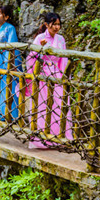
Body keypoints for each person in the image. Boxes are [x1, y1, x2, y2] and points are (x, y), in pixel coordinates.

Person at [25, 12, 73, 149]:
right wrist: (40, 48)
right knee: (43, 105)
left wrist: (64, 76)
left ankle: (59, 137)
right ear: (47, 25)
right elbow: (31, 57)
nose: (57, 27)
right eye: (54, 24)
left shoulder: (61, 39)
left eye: (58, 24)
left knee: (59, 104)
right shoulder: (40, 38)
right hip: (43, 75)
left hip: (57, 75)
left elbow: (63, 59)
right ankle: (41, 138)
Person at [0, 5, 22, 121]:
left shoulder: (10, 28)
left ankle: (9, 114)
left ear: (6, 17)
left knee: (7, 84)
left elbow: (13, 47)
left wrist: (13, 63)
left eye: (0, 14)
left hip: (5, 60)